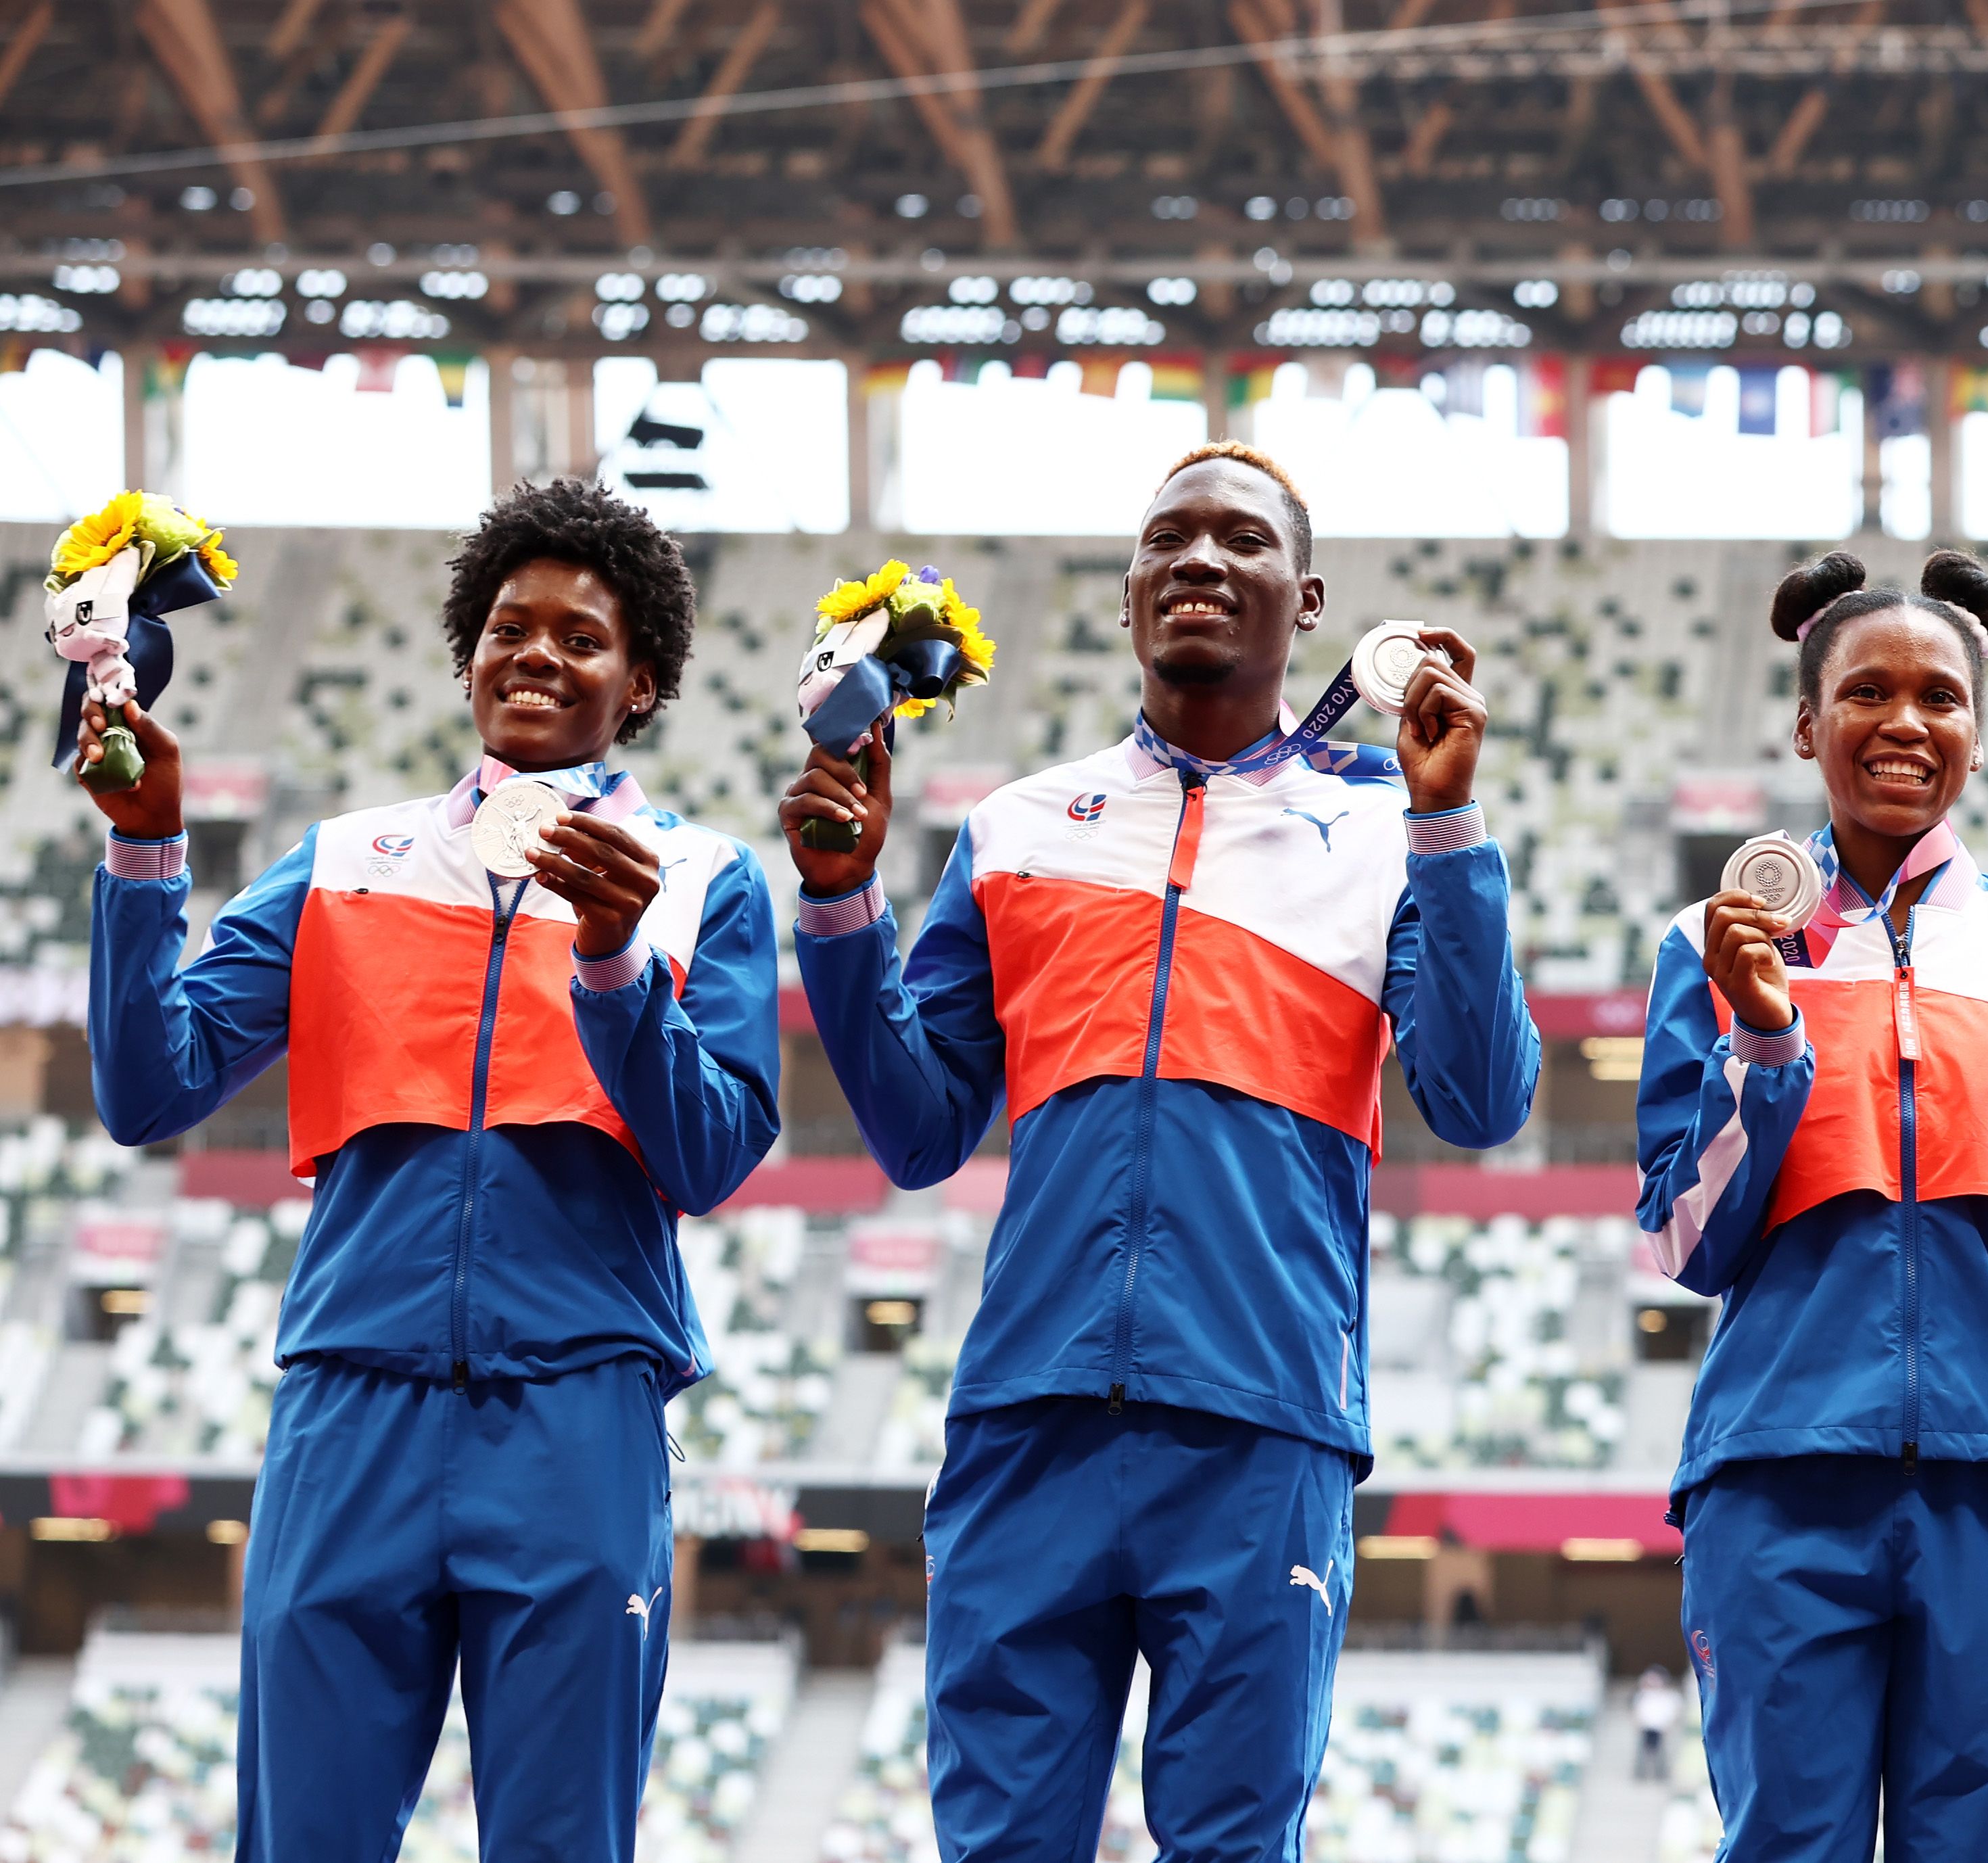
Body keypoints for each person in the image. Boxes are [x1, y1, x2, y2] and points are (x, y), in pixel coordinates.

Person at [782, 442, 1540, 1861]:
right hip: (1029, 1412)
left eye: (1239, 541)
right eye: (1166, 539)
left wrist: (1445, 822)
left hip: (1260, 1423)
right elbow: (915, 1124)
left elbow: (1482, 1098)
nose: (1197, 560)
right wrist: (836, 910)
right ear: (1130, 590)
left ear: (1305, 599)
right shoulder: (1010, 830)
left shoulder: (1387, 827)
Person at [84, 479, 782, 1862]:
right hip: (352, 1405)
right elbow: (145, 1087)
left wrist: (614, 957)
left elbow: (709, 1154)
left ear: (640, 681)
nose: (538, 653)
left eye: (581, 637)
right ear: (466, 655)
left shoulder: (702, 879)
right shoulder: (345, 858)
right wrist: (145, 847)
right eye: (509, 627)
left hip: (580, 1409)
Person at [1635, 550, 1988, 1862]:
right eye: (1865, 692)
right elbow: (1681, 1239)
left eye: (1938, 697)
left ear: (1976, 733)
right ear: (1803, 723)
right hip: (1778, 1474)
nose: (1903, 722)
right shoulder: (1708, 945)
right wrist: (1765, 1048)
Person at [1632, 1664, 1679, 1781]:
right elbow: (1637, 1710)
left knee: (1660, 1754)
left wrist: (1670, 1725)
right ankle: (1640, 1774)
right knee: (1642, 1753)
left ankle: (1660, 1775)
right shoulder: (1643, 1695)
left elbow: (1674, 1711)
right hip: (1646, 1726)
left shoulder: (1669, 1696)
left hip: (1661, 1727)